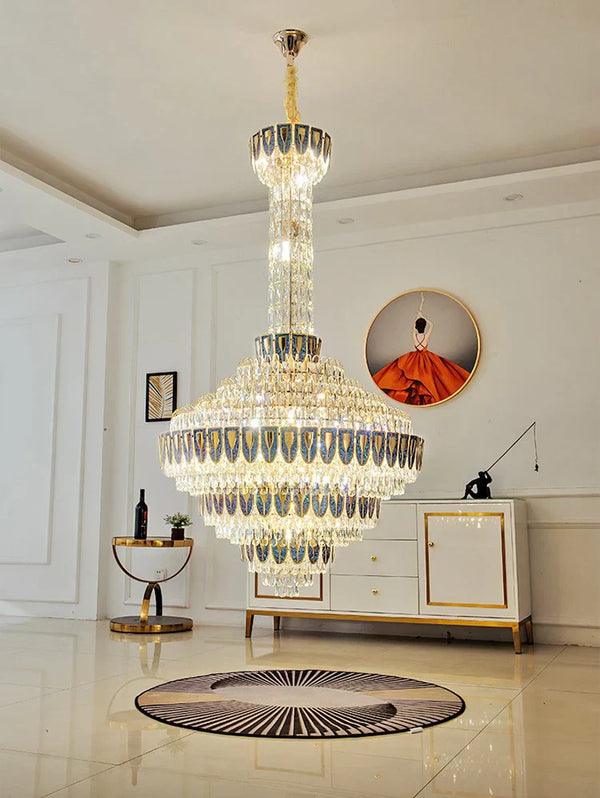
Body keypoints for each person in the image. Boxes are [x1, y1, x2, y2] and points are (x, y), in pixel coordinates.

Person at [373, 295, 470, 406]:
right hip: (426, 358)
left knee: (406, 377)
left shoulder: (414, 335)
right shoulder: (426, 336)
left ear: (416, 326)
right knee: (433, 377)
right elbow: (432, 325)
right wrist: (424, 317)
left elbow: (413, 328)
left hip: (412, 359)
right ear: (423, 327)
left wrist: (418, 316)